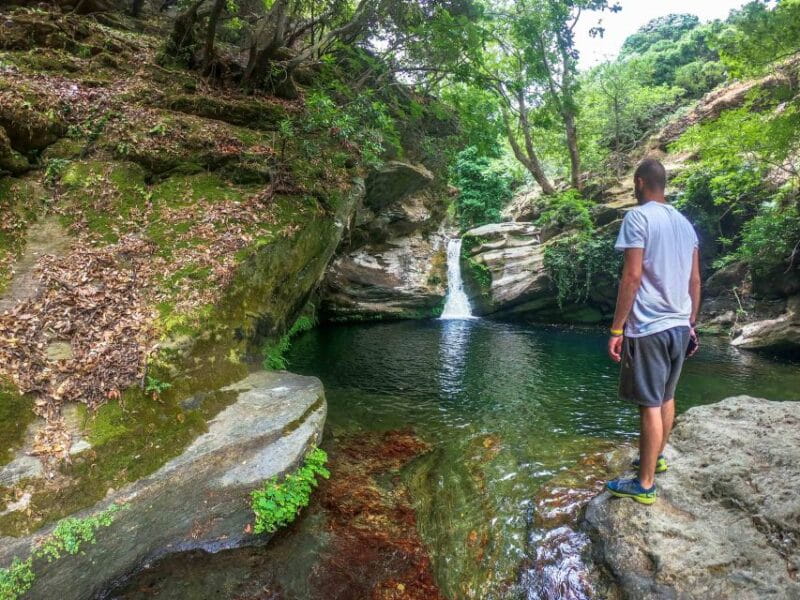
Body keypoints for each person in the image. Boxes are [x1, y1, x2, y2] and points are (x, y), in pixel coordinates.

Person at [605, 158, 701, 505]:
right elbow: (694, 280)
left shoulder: (638, 217)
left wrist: (617, 328)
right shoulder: (685, 224)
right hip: (679, 323)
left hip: (649, 326)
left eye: (635, 184)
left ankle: (644, 485)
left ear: (641, 182)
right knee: (667, 395)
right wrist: (691, 322)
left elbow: (631, 277)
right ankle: (656, 459)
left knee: (648, 403)